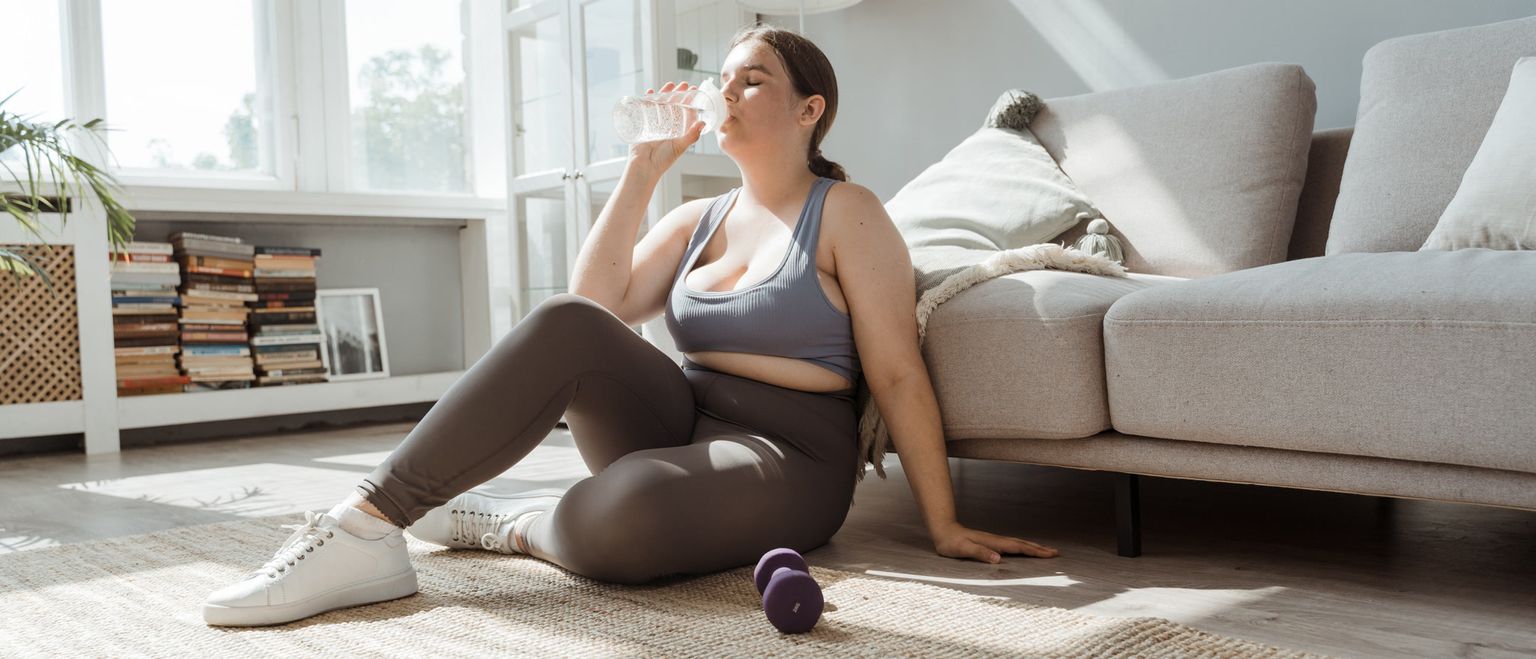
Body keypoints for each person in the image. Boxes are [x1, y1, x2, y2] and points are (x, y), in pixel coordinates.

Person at [202, 24, 1058, 628]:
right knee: (565, 323)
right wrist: (643, 173)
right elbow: (588, 314)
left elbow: (900, 371)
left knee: (628, 512)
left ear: (810, 110)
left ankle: (516, 524)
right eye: (723, 77)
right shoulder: (697, 218)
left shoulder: (849, 212)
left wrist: (941, 520)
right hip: (676, 419)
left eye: (753, 77)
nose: (727, 89)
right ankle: (365, 525)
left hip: (789, 454)